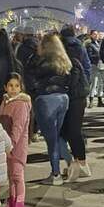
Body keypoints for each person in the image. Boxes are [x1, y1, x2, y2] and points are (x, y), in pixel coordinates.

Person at [31, 34, 73, 185]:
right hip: (63, 98)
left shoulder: (41, 62)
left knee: (51, 140)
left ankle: (55, 174)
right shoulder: (64, 61)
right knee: (57, 135)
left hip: (46, 100)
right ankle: (71, 163)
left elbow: (32, 81)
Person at [61, 25, 92, 183]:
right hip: (79, 93)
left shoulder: (63, 47)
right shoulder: (80, 46)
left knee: (69, 130)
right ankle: (80, 163)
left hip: (69, 93)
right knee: (75, 129)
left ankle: (78, 163)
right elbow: (87, 68)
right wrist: (86, 84)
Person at [0, 73, 30, 207]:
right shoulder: (5, 101)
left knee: (17, 177)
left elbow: (18, 127)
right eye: (10, 85)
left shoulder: (21, 104)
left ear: (21, 87)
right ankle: (11, 206)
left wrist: (10, 144)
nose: (13, 89)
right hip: (6, 146)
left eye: (17, 86)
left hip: (16, 146)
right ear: (5, 87)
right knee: (11, 177)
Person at [86, 31, 104, 107]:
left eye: (97, 34)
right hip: (94, 65)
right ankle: (91, 100)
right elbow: (89, 56)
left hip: (102, 65)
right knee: (94, 83)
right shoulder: (90, 45)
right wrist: (98, 56)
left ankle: (100, 100)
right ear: (91, 35)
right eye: (94, 34)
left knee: (101, 83)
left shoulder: (100, 44)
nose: (96, 35)